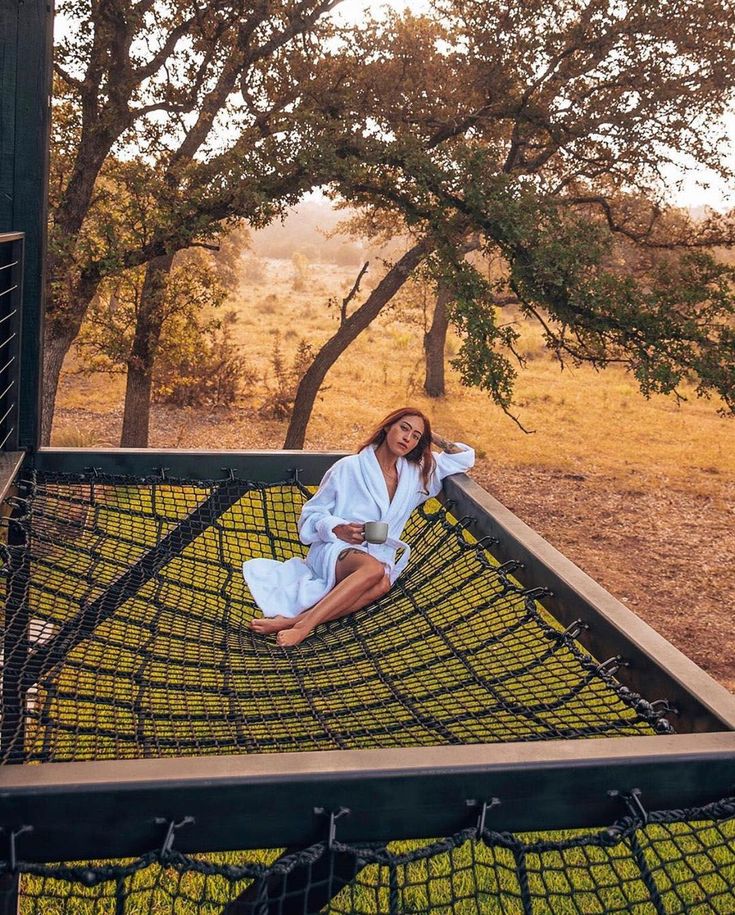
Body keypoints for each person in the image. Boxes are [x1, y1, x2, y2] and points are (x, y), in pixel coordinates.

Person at [243, 407, 474, 647]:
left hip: (377, 555)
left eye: (416, 436)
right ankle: (304, 627)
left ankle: (288, 621)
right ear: (387, 426)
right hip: (335, 548)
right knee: (374, 571)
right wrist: (336, 528)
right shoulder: (349, 468)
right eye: (403, 428)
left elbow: (463, 457)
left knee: (383, 582)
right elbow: (310, 515)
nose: (408, 438)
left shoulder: (415, 475)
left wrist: (431, 435)